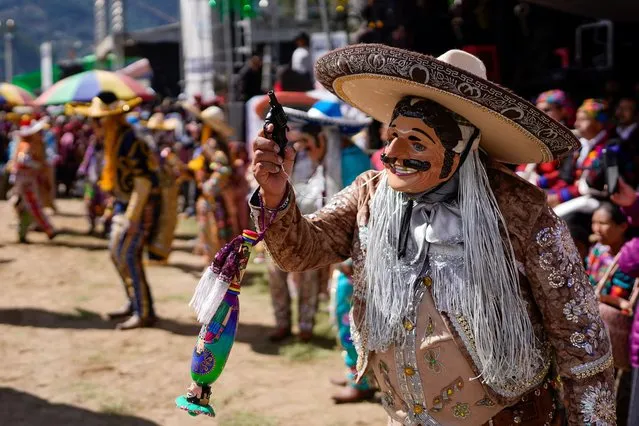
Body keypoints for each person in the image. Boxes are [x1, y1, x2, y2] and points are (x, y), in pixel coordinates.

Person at [251, 45, 615, 424]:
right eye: (392, 135)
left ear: (460, 148)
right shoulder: (370, 194)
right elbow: (300, 251)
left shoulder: (520, 212)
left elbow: (582, 340)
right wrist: (277, 195)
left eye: (416, 141)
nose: (391, 152)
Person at [262, 98, 372, 345]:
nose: (307, 152)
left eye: (309, 145)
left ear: (324, 138)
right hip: (337, 246)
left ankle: (359, 379)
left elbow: (360, 213)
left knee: (350, 310)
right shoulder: (330, 160)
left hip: (357, 253)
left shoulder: (351, 160)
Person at [68, 91, 160, 330]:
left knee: (127, 255)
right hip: (123, 203)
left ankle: (144, 311)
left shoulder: (131, 140)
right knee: (117, 254)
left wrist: (132, 216)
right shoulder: (114, 140)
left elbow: (143, 181)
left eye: (97, 120)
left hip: (136, 208)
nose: (93, 125)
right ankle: (134, 302)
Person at [183, 104, 239, 264]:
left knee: (215, 234)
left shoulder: (212, 145)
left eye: (201, 123)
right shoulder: (214, 143)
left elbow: (223, 170)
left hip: (213, 200)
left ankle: (217, 267)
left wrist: (209, 187)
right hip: (215, 199)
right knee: (216, 233)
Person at [8, 116, 57, 243]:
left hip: (28, 181)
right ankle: (48, 229)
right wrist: (38, 165)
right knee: (33, 206)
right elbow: (23, 160)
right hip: (26, 183)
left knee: (26, 208)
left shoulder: (33, 145)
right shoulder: (26, 146)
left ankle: (23, 233)